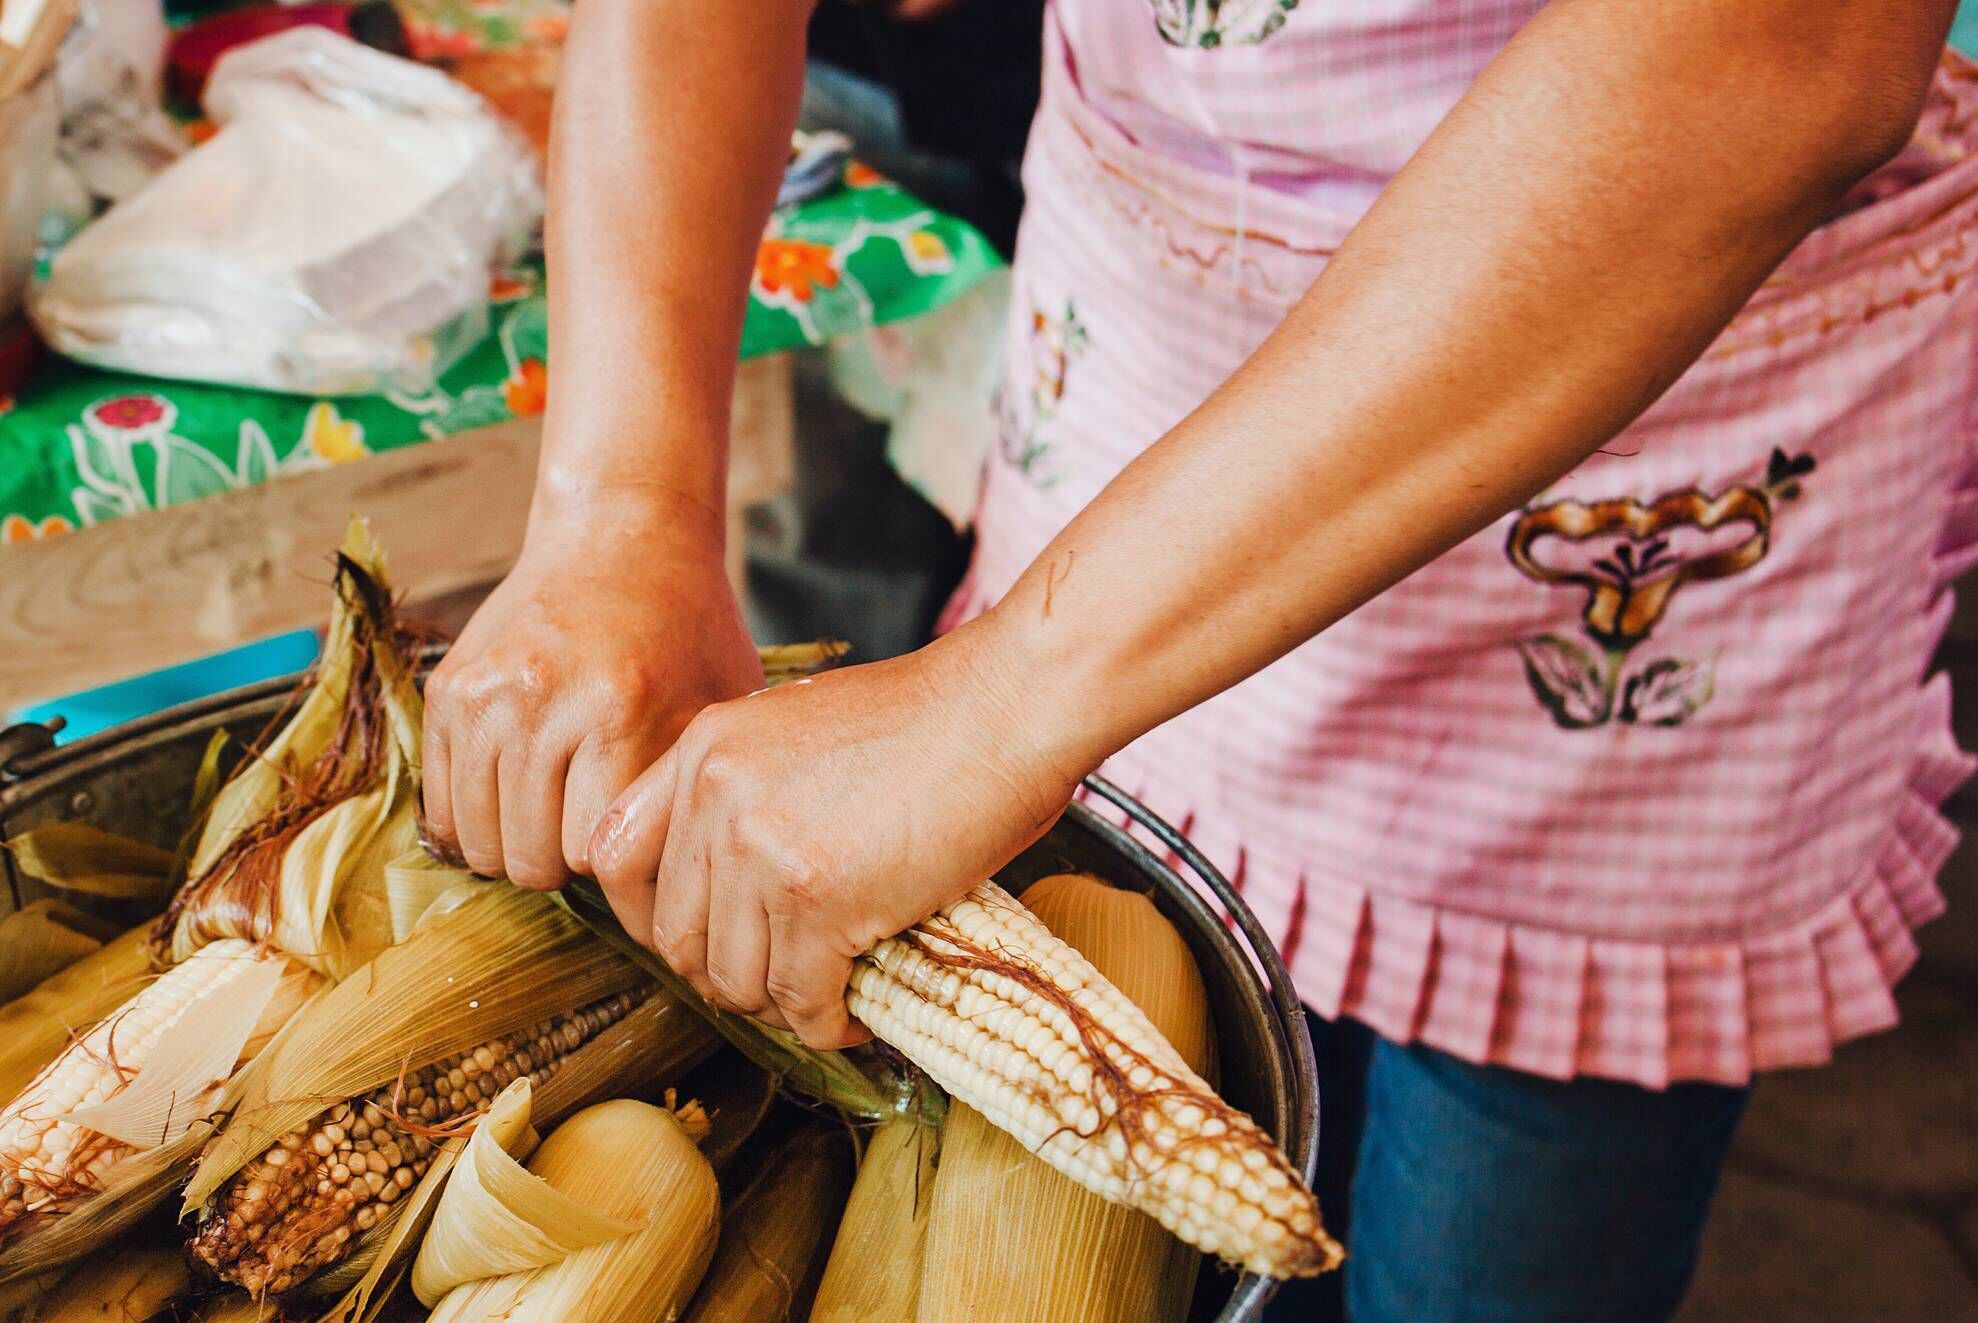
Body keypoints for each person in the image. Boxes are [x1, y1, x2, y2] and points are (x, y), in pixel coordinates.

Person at [419, 2, 1977, 1318]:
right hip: (1150, 320)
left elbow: (1782, 43)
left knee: (1493, 1244)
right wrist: (617, 503)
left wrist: (997, 703)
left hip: (1645, 439)